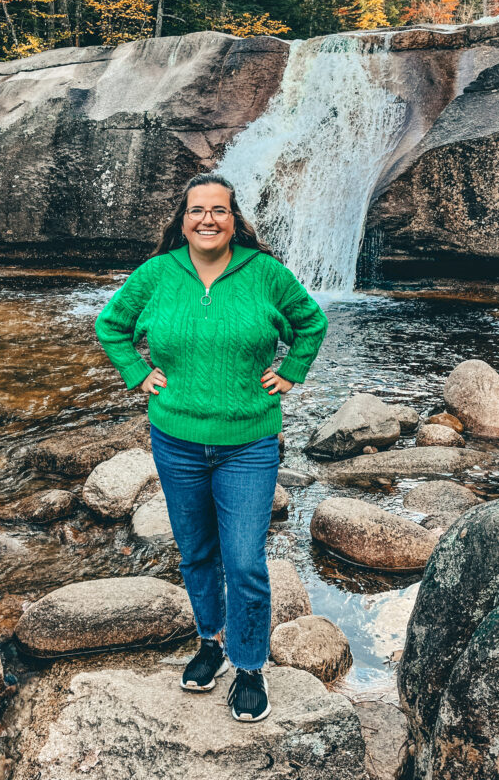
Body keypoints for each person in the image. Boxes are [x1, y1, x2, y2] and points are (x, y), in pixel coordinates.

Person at [94, 171, 328, 722]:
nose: (207, 219)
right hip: (175, 441)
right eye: (197, 210)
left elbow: (310, 322)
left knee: (245, 561)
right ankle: (211, 643)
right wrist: (137, 372)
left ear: (234, 219)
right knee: (197, 552)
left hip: (247, 443)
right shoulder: (157, 274)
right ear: (183, 219)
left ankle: (249, 667)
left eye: (218, 210)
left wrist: (290, 371)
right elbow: (112, 325)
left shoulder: (265, 273)